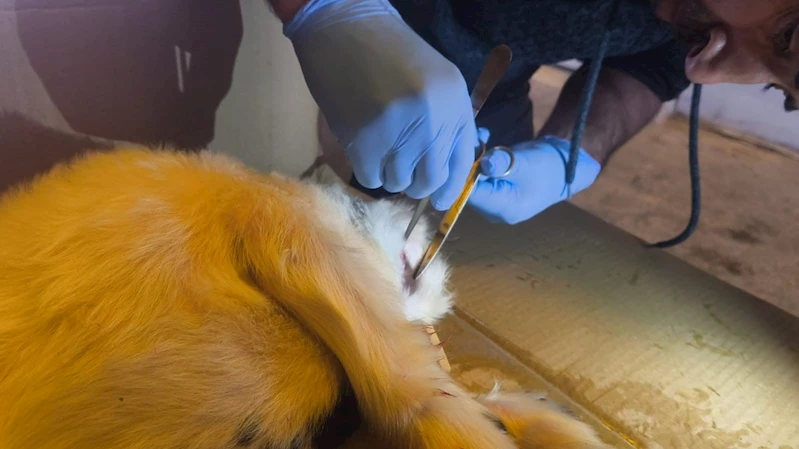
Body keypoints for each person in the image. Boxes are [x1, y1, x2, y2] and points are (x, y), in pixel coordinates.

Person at [269, 0, 799, 226]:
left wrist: (576, 149)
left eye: (779, 88)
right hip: (372, 33)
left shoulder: (703, 28)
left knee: (448, 233)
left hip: (494, 76)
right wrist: (326, 10)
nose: (706, 73)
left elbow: (658, 66)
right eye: (788, 35)